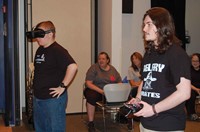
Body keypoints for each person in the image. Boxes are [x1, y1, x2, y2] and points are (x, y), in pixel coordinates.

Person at [128, 7, 191, 132]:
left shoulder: (176, 54)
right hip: (146, 123)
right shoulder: (148, 53)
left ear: (161, 25)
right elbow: (145, 81)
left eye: (149, 24)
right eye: (144, 25)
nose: (144, 29)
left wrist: (153, 109)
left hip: (167, 125)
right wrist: (138, 99)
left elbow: (184, 93)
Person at [32, 21, 78, 132]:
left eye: (40, 34)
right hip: (38, 97)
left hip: (52, 100)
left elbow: (73, 66)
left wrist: (62, 86)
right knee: (41, 128)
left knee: (55, 128)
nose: (37, 38)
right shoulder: (40, 49)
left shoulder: (58, 50)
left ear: (50, 34)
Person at [84, 52, 122, 132]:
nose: (101, 60)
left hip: (110, 92)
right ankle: (91, 122)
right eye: (99, 59)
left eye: (103, 59)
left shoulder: (112, 69)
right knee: (91, 97)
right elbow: (88, 83)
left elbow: (119, 82)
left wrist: (115, 90)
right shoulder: (94, 68)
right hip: (96, 90)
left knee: (127, 96)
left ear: (108, 60)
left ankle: (125, 117)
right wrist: (102, 91)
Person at [185, 53, 200, 121]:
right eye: (193, 61)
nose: (195, 63)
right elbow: (187, 82)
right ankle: (192, 114)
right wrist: (196, 89)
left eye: (197, 61)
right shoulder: (188, 69)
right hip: (191, 88)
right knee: (191, 93)